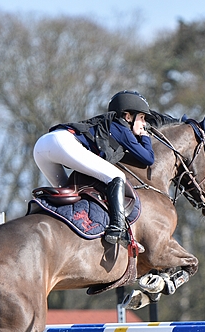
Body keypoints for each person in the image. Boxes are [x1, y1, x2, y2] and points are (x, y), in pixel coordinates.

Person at [33, 90, 155, 247]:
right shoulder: (121, 128)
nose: (144, 124)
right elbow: (148, 159)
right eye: (142, 118)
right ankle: (117, 228)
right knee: (117, 176)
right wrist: (145, 138)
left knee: (68, 194)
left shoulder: (110, 124)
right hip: (62, 143)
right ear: (127, 116)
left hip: (42, 146)